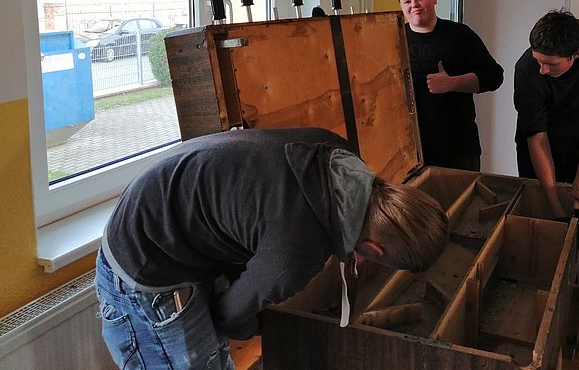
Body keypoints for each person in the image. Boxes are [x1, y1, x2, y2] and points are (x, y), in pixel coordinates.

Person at [96, 126, 449, 369]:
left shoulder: (339, 153)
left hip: (171, 211)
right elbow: (229, 318)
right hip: (147, 261)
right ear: (374, 249)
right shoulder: (298, 252)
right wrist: (275, 327)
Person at [514, 10, 579, 240]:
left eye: (550, 64)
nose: (542, 70)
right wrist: (555, 207)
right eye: (538, 60)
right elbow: (536, 136)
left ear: (576, 54)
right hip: (543, 139)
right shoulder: (526, 69)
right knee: (542, 214)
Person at [395, 0, 503, 171]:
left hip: (459, 149)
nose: (414, 5)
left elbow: (494, 76)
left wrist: (452, 83)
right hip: (408, 151)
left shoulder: (460, 34)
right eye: (407, 1)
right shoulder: (394, 40)